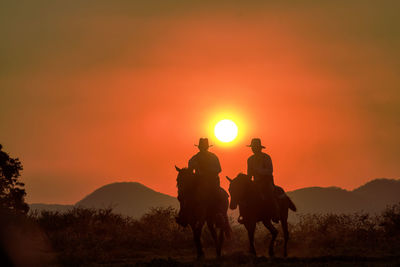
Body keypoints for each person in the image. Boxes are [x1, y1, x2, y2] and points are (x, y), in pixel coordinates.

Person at [176, 138, 223, 226]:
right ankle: (183, 215)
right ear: (199, 148)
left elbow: (218, 169)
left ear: (207, 147)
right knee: (185, 195)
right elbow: (190, 170)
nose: (203, 148)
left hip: (211, 180)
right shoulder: (194, 158)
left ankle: (218, 214)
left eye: (204, 147)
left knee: (216, 193)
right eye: (202, 147)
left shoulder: (213, 157)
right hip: (198, 180)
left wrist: (208, 171)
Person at [246, 138, 280, 223]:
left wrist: (258, 170)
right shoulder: (250, 159)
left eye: (255, 147)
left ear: (259, 148)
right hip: (256, 182)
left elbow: (270, 170)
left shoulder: (266, 157)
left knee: (270, 194)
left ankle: (275, 214)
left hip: (266, 181)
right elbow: (249, 173)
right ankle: (245, 215)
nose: (253, 149)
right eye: (252, 147)